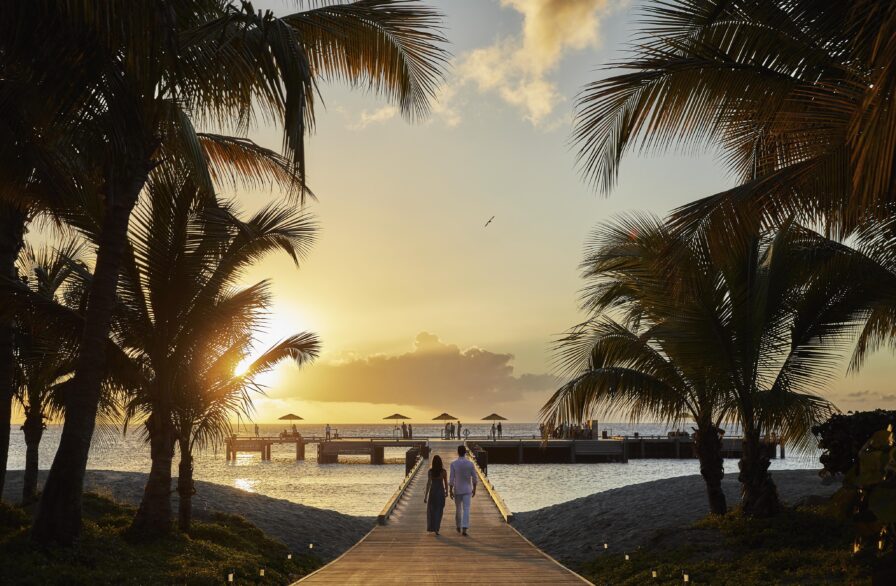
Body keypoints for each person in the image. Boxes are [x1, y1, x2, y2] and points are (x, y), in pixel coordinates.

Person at [449, 445, 477, 536]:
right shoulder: (470, 464)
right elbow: (475, 478)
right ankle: (464, 528)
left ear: (458, 452)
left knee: (458, 509)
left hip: (457, 489)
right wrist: (474, 489)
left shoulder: (453, 464)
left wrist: (450, 490)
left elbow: (451, 478)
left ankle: (458, 525)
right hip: (467, 489)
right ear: (465, 452)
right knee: (466, 509)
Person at [423, 455, 448, 535]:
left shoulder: (430, 472)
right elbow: (446, 483)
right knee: (439, 511)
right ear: (441, 462)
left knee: (431, 510)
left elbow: (428, 484)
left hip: (433, 492)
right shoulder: (443, 472)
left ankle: (432, 527)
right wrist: (447, 492)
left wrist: (425, 496)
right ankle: (437, 528)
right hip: (440, 492)